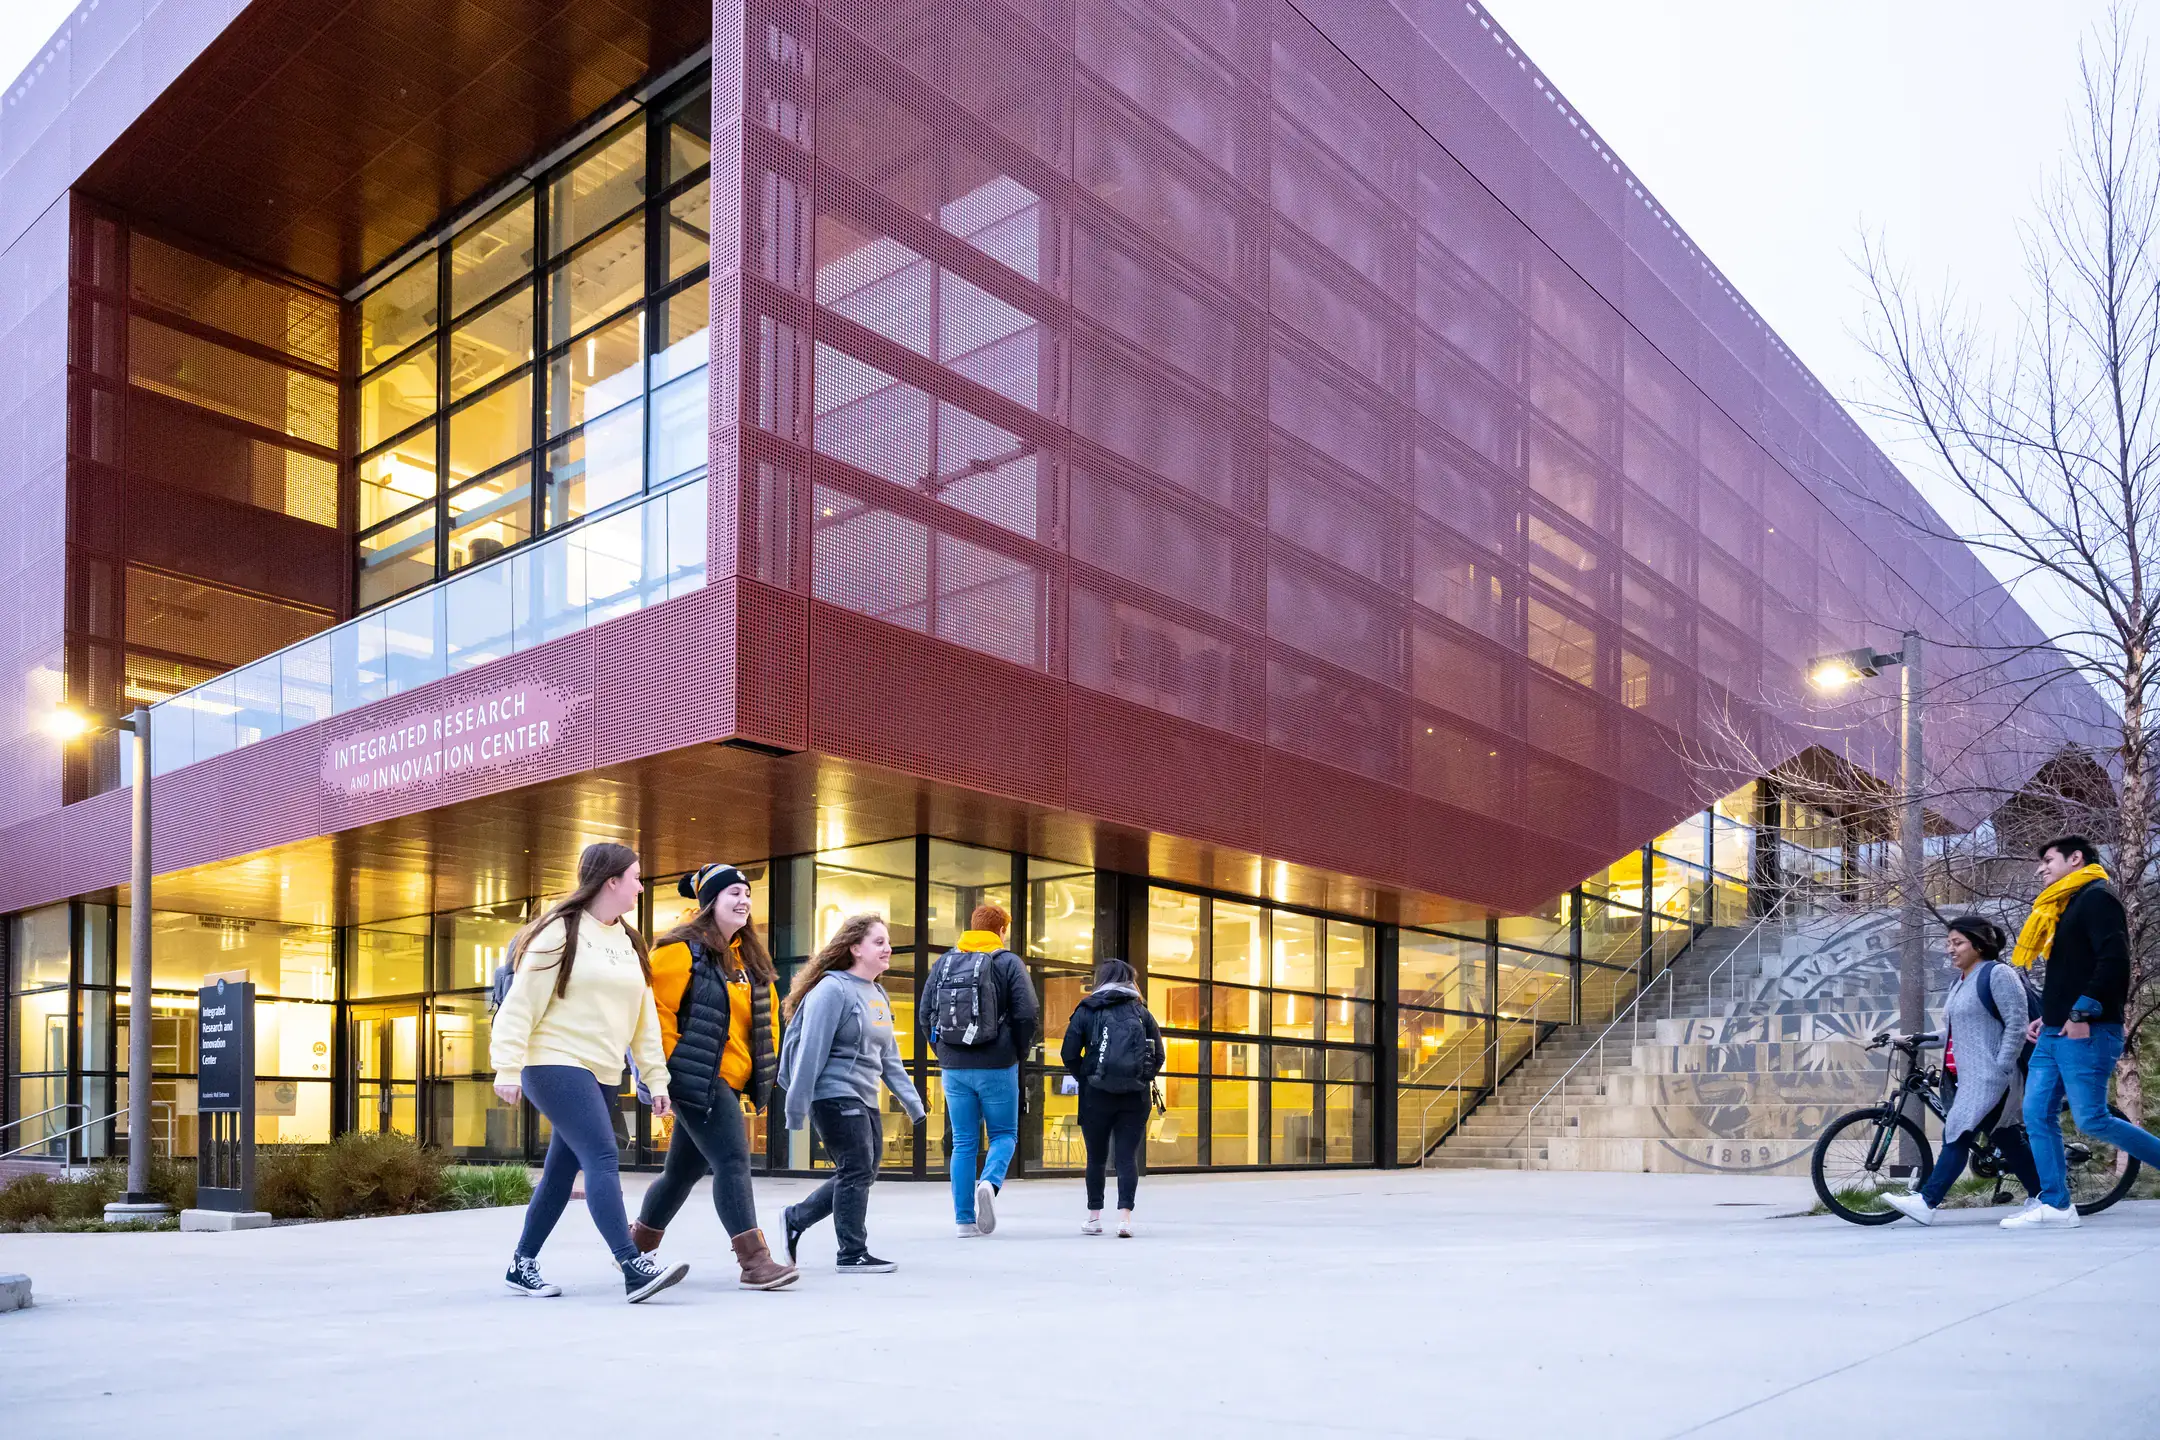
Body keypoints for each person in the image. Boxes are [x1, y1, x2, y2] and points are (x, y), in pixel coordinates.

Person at [491, 842, 688, 1302]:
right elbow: (520, 1004)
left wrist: (655, 1079)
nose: (642, 886)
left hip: (601, 1070)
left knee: (562, 1171)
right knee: (601, 1156)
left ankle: (522, 1264)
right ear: (611, 881)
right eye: (636, 878)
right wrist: (507, 1066)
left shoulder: (629, 940)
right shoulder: (560, 931)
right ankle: (631, 1263)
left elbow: (644, 1023)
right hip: (553, 1061)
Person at [627, 863, 796, 1289]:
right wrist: (660, 1075)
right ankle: (755, 1262)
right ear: (710, 903)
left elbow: (766, 1020)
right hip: (695, 1076)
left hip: (728, 1079)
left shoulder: (746, 958)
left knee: (682, 1173)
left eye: (746, 894)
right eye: (732, 893)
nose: (743, 900)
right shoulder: (678, 951)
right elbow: (653, 1016)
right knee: (733, 1161)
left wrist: (766, 1071)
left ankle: (634, 1250)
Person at [2008, 833, 2160, 1229]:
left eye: (2049, 860)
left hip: (2086, 1030)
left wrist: (2080, 1013)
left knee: (2091, 1119)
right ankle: (2057, 1204)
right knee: (2036, 1114)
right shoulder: (2064, 905)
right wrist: (2052, 1014)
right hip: (2056, 1030)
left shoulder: (2097, 898)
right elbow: (2072, 970)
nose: (2041, 868)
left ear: (2075, 859)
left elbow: (2114, 961)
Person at [778, 913, 925, 1273]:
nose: (888, 948)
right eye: (879, 942)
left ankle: (796, 1218)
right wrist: (796, 1107)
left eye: (888, 942)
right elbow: (811, 1050)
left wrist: (913, 1102)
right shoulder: (832, 989)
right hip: (831, 1094)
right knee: (857, 1168)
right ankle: (852, 1253)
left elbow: (889, 1058)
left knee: (861, 1171)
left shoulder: (877, 994)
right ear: (855, 948)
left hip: (863, 1096)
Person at [1883, 917, 2040, 1224]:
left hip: (1990, 1076)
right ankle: (2044, 1196)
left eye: (1957, 943)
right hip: (1964, 1077)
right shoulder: (1960, 982)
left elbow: (2017, 1023)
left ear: (1979, 944)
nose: (1950, 950)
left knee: (1957, 1131)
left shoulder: (1998, 974)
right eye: (1948, 943)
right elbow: (1953, 1032)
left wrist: (2001, 1068)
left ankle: (1927, 1202)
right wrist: (1915, 1039)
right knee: (2006, 1138)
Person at [925, 902, 1039, 1237]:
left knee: (963, 1142)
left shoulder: (944, 962)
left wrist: (945, 1052)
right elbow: (1027, 1012)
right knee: (1004, 1135)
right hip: (998, 1064)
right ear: (1002, 929)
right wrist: (1016, 1051)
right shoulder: (1007, 962)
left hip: (954, 1068)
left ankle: (964, 1221)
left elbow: (925, 1013)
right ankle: (988, 1183)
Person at [1060, 959, 1165, 1238]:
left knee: (1095, 1157)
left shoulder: (1087, 1009)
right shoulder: (1142, 1012)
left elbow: (1068, 1053)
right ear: (1131, 980)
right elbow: (1159, 1056)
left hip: (1096, 1095)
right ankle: (1125, 1219)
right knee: (1126, 1156)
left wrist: (1087, 1074)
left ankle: (1094, 1217)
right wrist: (1142, 1078)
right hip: (1135, 1097)